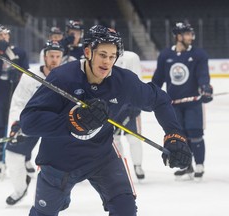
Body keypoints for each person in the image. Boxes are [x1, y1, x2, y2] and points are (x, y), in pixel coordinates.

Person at [20, 25, 192, 216]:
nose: (107, 62)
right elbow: (29, 122)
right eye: (102, 54)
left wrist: (174, 135)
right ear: (88, 52)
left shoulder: (123, 82)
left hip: (101, 157)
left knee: (125, 210)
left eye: (112, 56)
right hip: (58, 161)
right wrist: (73, 121)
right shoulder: (63, 78)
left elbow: (160, 100)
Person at [5, 40, 64, 205]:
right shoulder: (30, 76)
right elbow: (18, 101)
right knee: (13, 155)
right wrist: (17, 123)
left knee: (56, 164)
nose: (54, 59)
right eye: (51, 56)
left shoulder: (67, 77)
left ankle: (57, 197)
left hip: (57, 125)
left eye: (58, 56)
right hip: (32, 122)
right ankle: (20, 189)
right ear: (44, 57)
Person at [152, 22, 213, 180]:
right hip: (173, 105)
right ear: (178, 36)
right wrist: (151, 93)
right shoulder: (166, 55)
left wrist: (205, 87)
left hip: (192, 102)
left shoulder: (199, 54)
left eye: (190, 34)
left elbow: (202, 75)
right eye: (186, 34)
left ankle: (199, 164)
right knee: (179, 136)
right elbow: (158, 78)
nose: (190, 37)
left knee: (195, 133)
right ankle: (187, 165)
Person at [0, 24, 29, 179]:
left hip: (16, 95)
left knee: (20, 127)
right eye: (1, 35)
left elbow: (26, 72)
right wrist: (1, 53)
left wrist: (15, 69)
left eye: (6, 35)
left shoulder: (19, 52)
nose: (4, 38)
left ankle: (25, 159)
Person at [114, 51, 145, 180]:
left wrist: (137, 102)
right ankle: (119, 167)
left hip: (130, 104)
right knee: (114, 139)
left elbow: (138, 82)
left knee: (134, 138)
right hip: (112, 106)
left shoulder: (131, 57)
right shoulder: (100, 56)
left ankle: (138, 165)